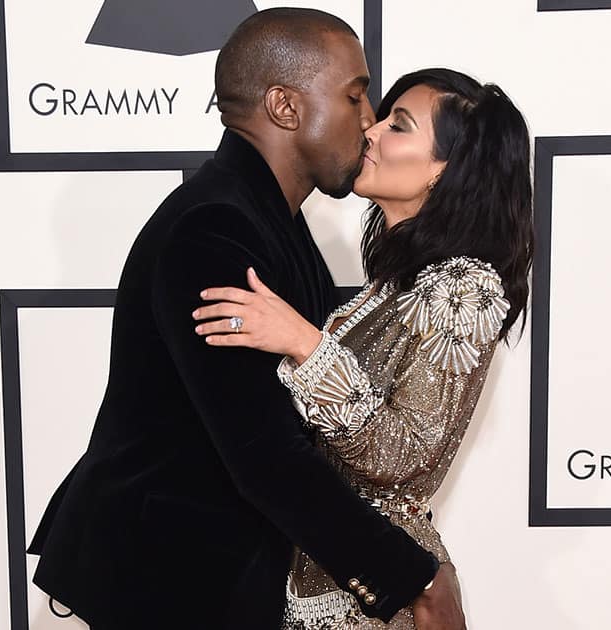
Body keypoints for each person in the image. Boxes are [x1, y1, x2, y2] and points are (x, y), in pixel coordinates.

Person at [26, 10, 465, 630]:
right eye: (353, 94)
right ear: (285, 107)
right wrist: (412, 579)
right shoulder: (217, 231)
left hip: (209, 571)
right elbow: (265, 455)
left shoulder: (270, 221)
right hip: (165, 579)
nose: (367, 120)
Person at [193, 68, 534, 629]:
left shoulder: (462, 289)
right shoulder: (395, 282)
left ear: (446, 170)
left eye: (398, 126)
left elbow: (400, 454)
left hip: (375, 599)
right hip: (327, 576)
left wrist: (305, 343)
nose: (370, 131)